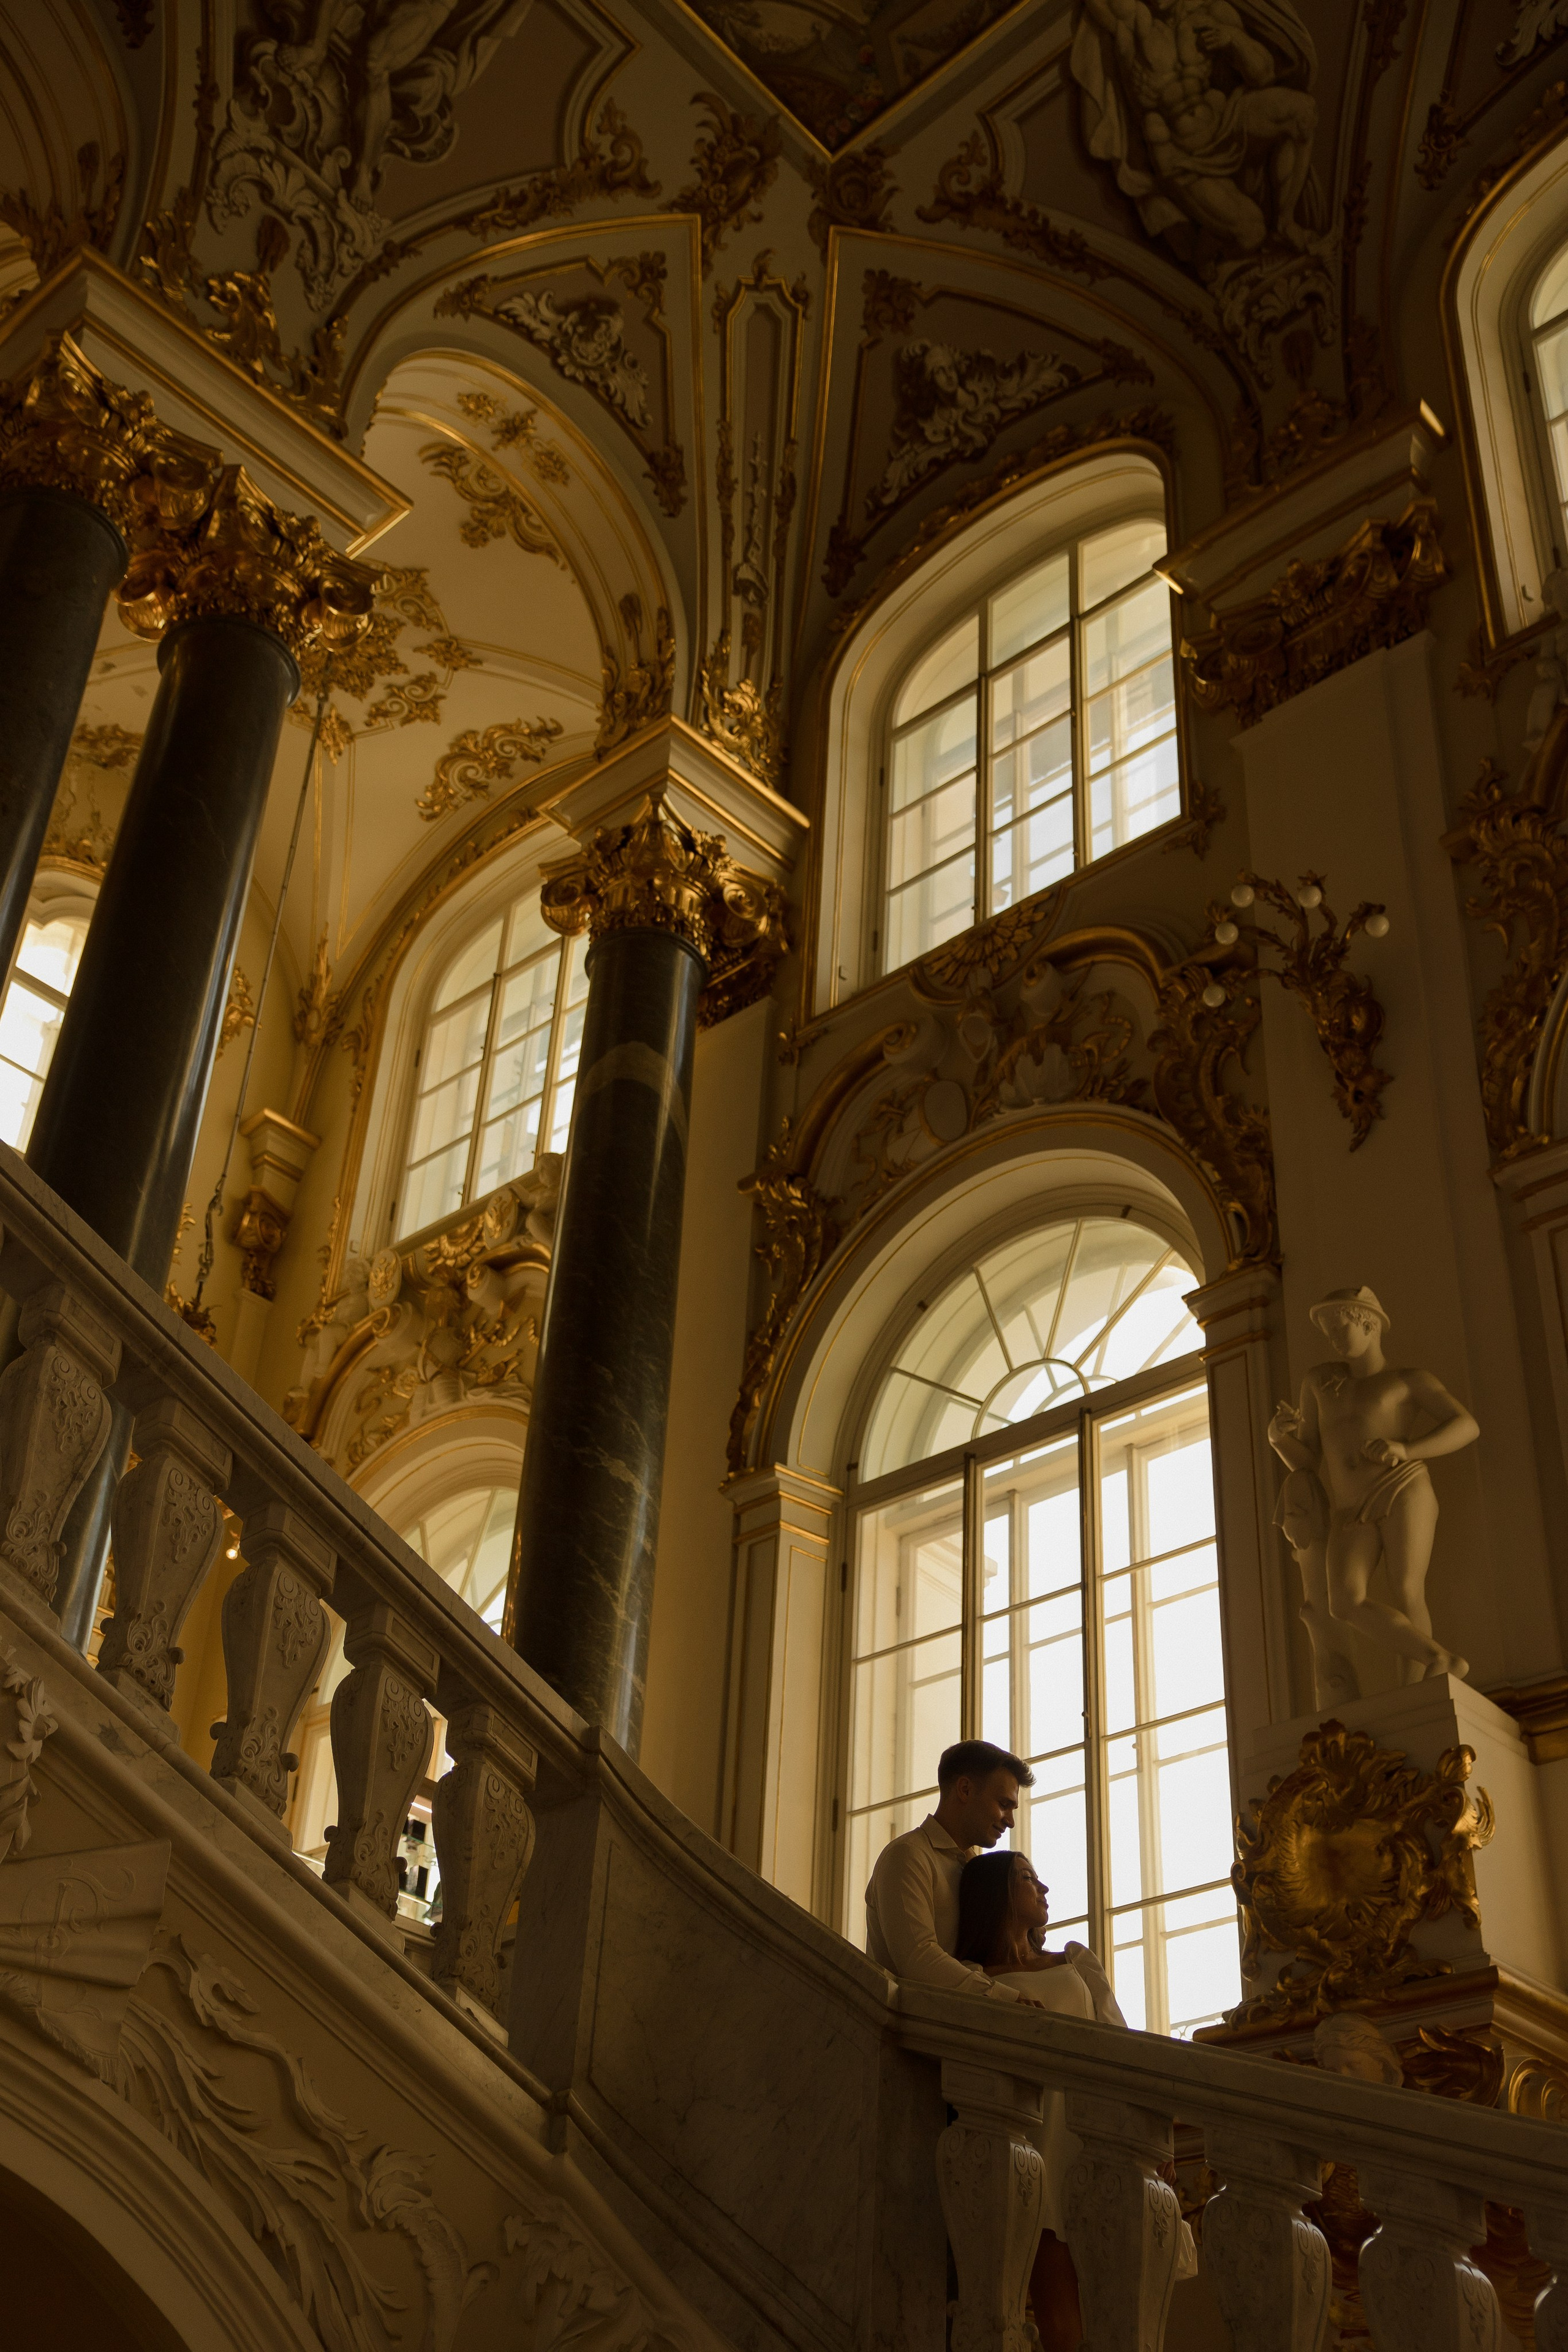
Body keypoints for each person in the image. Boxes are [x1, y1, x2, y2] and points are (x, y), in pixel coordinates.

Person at [954, 1849, 1127, 2352]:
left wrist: (1147, 2129)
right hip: (1032, 2140)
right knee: (1059, 2315)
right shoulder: (974, 1976)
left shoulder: (1075, 1959)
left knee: (1118, 2302)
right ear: (998, 1896)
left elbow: (1118, 2039)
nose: (1044, 1888)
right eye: (1029, 1878)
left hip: (1092, 2129)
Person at [865, 1740, 1047, 2005]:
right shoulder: (907, 1856)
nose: (1010, 1821)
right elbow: (918, 1959)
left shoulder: (978, 1868)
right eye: (1003, 1804)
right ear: (965, 1789)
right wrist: (1007, 1998)